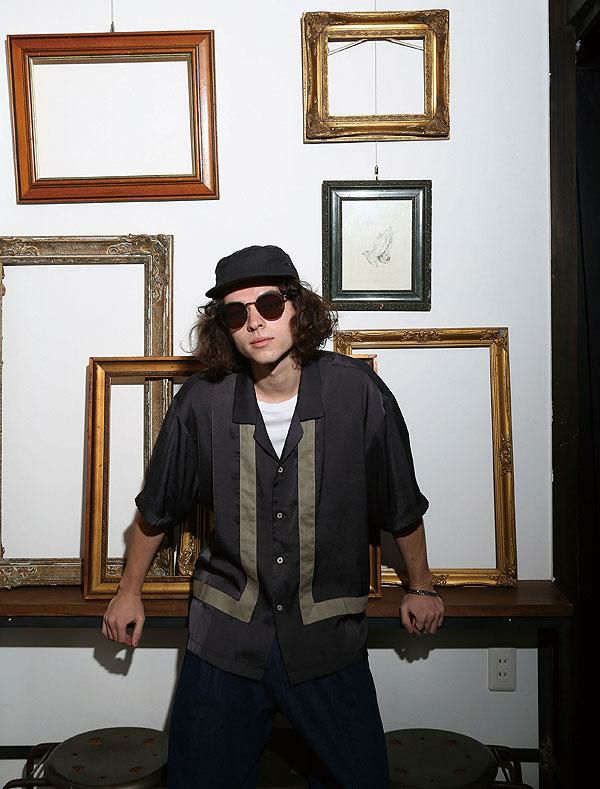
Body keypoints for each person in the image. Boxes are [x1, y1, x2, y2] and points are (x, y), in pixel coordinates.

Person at [102, 244, 444, 788]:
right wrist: (128, 592)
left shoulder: (358, 393)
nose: (255, 322)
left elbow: (400, 503)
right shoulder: (201, 401)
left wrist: (420, 586)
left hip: (328, 638)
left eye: (268, 304)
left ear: (297, 307)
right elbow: (157, 509)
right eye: (236, 313)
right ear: (224, 328)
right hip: (226, 639)